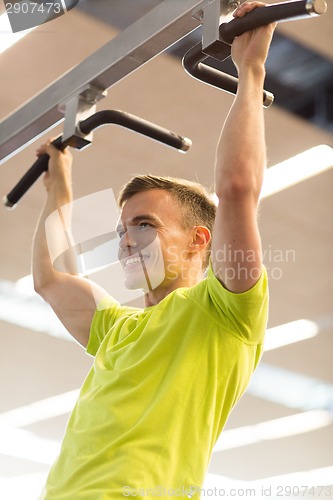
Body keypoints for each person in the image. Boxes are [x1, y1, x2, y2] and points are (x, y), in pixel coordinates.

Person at [33, 2, 275, 498]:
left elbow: (234, 188)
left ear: (198, 241)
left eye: (143, 226)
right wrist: (60, 183)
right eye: (122, 230)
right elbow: (50, 279)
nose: (125, 242)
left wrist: (251, 70)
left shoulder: (224, 311)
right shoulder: (116, 328)